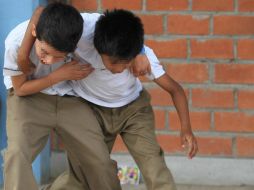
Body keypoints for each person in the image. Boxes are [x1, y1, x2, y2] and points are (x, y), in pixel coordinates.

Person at [18, 8, 198, 190]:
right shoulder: (80, 32)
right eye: (113, 62)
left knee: (155, 167)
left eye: (125, 63)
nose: (119, 69)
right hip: (91, 111)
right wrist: (22, 55)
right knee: (84, 175)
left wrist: (186, 129)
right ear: (97, 47)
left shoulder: (141, 57)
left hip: (133, 111)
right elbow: (41, 12)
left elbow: (175, 89)